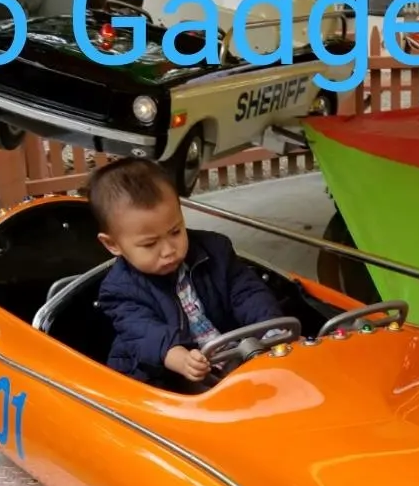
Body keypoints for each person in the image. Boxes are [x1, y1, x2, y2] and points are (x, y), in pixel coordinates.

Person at [91, 161, 283, 387]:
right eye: (150, 244)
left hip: (230, 354)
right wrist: (177, 357)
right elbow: (144, 332)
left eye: (175, 231)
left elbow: (246, 292)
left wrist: (271, 328)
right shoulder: (118, 290)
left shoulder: (215, 250)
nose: (169, 250)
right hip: (165, 375)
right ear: (113, 244)